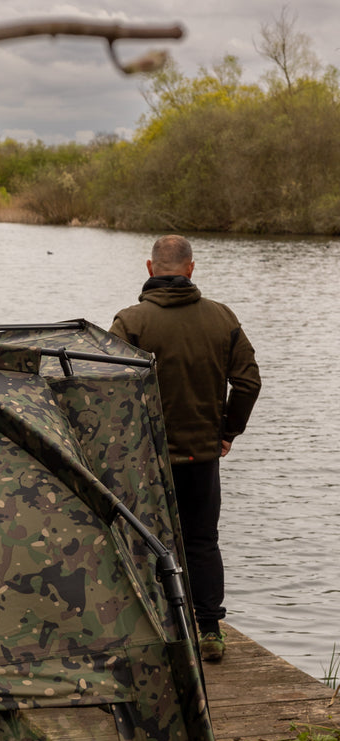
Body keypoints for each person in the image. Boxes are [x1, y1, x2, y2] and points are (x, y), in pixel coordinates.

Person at [110, 235, 261, 662]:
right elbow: (249, 382)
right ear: (191, 268)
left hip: (148, 457)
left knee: (148, 540)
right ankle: (210, 630)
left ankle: (158, 629)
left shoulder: (131, 321)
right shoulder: (222, 318)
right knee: (202, 540)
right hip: (203, 454)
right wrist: (227, 431)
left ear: (150, 267)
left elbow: (105, 390)